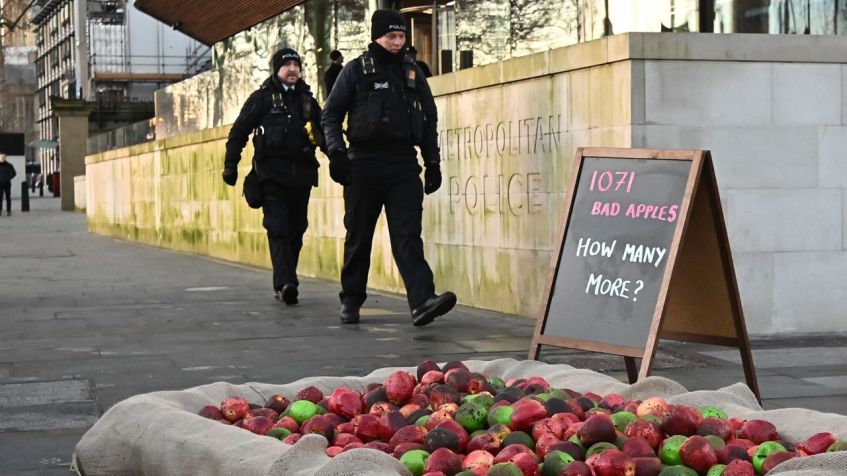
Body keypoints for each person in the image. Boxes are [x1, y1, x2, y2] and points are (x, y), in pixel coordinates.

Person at [321, 9, 456, 326]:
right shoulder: (355, 71)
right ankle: (351, 300)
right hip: (364, 164)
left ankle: (422, 300)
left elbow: (429, 119)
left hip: (403, 164)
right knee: (359, 235)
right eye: (391, 36)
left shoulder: (412, 71)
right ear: (376, 37)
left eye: (401, 36)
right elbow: (330, 115)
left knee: (408, 234)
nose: (397, 42)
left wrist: (433, 161)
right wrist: (337, 154)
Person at [222, 48, 326, 305]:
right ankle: (287, 282)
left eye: (296, 65)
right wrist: (230, 165)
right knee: (277, 226)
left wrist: (340, 159)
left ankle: (284, 278)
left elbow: (326, 133)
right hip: (271, 175)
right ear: (276, 69)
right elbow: (239, 131)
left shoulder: (308, 102)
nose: (292, 69)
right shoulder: (262, 98)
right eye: (286, 65)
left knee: (297, 228)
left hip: (301, 175)